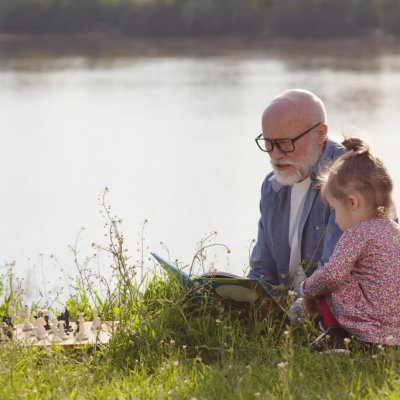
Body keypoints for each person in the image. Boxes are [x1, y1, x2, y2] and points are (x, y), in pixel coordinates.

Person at [301, 138, 400, 351]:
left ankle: (335, 334)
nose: (336, 219)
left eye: (335, 209)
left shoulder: (356, 233)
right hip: (396, 331)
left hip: (370, 331)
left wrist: (306, 289)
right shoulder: (394, 230)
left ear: (353, 203)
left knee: (328, 277)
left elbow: (332, 274)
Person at [249, 89, 345, 293]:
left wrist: (294, 307)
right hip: (293, 307)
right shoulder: (272, 187)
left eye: (285, 143)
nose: (275, 154)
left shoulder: (352, 180)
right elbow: (262, 272)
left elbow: (333, 278)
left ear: (320, 134)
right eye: (269, 143)